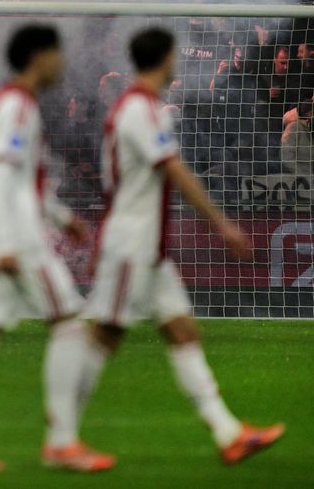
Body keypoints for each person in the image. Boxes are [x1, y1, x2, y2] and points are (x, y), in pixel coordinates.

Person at [77, 27, 284, 466]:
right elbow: (173, 169)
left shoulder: (139, 107)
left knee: (182, 330)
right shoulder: (140, 108)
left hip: (146, 244)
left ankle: (229, 433)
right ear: (165, 59)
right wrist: (221, 223)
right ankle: (60, 432)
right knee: (103, 337)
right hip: (133, 243)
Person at [0, 24, 112, 473]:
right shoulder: (16, 107)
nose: (62, 63)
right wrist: (5, 244)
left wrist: (61, 217)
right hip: (17, 241)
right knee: (70, 325)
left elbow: (18, 182)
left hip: (0, 233)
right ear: (39, 57)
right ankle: (62, 441)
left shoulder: (15, 104)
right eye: (57, 54)